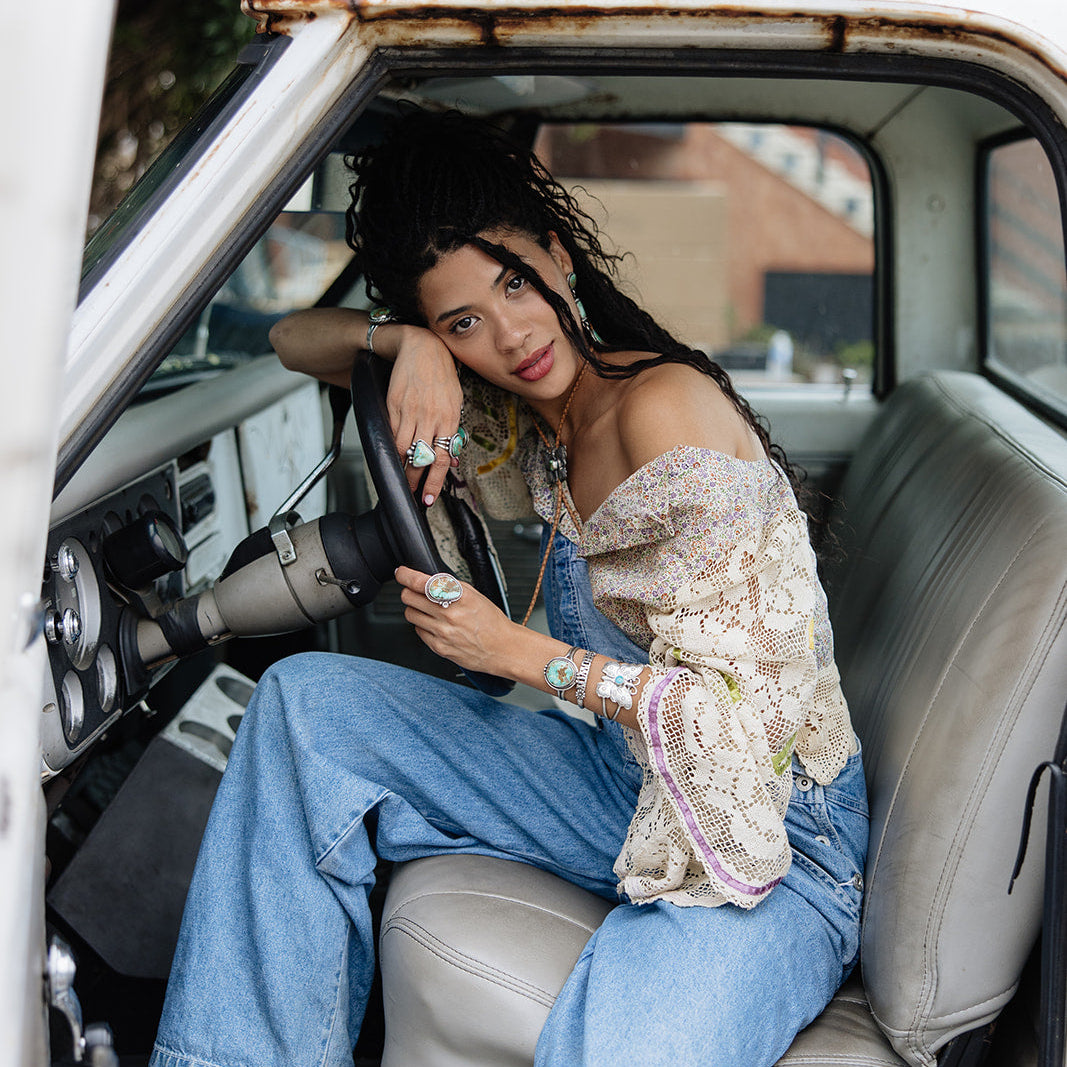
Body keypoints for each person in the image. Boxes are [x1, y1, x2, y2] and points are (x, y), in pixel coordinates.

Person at [150, 110, 868, 1067]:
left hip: (767, 836)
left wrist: (512, 651)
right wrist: (406, 344)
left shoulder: (664, 415)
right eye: (467, 321)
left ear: (561, 260)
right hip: (625, 777)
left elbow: (731, 731)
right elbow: (291, 337)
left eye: (515, 284)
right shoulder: (539, 413)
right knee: (303, 712)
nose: (512, 334)